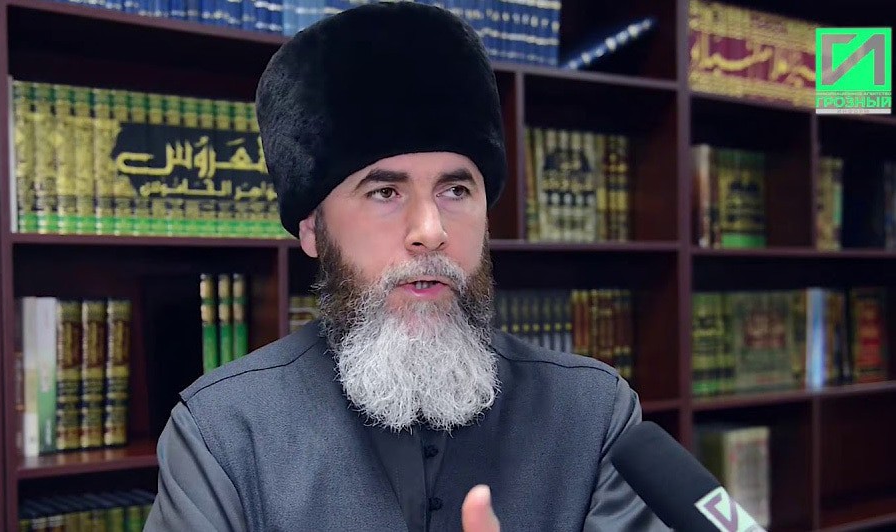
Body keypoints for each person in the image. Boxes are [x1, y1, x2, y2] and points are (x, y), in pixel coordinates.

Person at [144, 2, 668, 531]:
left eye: (456, 190)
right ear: (313, 230)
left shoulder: (594, 413)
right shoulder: (221, 433)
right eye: (385, 192)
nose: (430, 230)